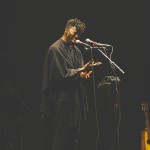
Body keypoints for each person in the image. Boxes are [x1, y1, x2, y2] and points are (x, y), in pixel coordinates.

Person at [40, 18, 101, 150]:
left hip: (75, 101)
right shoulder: (54, 49)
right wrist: (81, 70)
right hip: (62, 102)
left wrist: (85, 75)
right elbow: (61, 75)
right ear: (66, 29)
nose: (77, 35)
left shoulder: (76, 51)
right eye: (75, 31)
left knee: (74, 140)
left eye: (79, 33)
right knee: (60, 140)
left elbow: (78, 74)